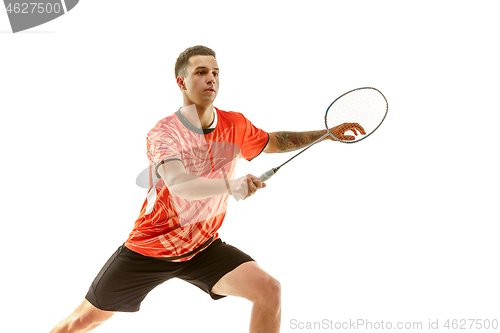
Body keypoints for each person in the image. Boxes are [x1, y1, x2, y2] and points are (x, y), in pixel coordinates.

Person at [49, 45, 364, 333]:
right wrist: (231, 185)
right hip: (150, 250)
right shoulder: (164, 133)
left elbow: (273, 141)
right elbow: (178, 184)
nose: (210, 79)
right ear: (182, 82)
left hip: (202, 247)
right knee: (79, 322)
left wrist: (326, 134)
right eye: (200, 72)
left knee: (269, 289)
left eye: (215, 73)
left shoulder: (236, 124)